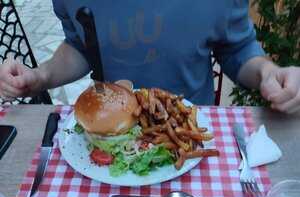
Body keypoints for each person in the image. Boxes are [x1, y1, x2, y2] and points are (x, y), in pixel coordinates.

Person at [0, 1, 299, 113]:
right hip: (111, 136)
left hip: (189, 133)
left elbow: (237, 49)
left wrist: (267, 73)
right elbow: (81, 46)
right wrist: (40, 76)